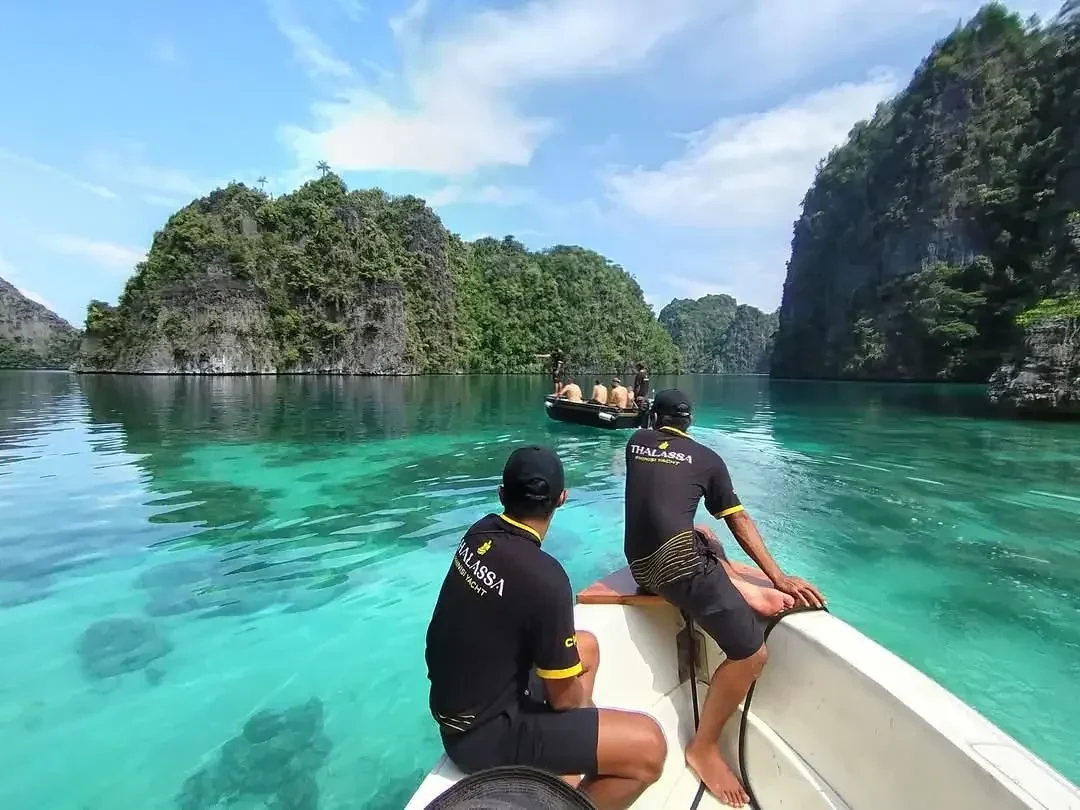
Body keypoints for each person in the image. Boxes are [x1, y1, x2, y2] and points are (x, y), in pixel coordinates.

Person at [426, 446, 668, 810]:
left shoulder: (479, 533)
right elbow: (564, 698)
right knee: (649, 747)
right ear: (562, 499)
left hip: (456, 714)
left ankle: (561, 771)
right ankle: (562, 792)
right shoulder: (547, 578)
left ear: (502, 494)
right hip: (482, 737)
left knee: (586, 647)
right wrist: (581, 709)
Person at [622, 390, 826, 807]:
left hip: (639, 567)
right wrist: (778, 576)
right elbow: (740, 520)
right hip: (677, 570)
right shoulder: (707, 459)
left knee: (704, 533)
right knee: (752, 654)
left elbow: (661, 496)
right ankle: (703, 747)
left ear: (654, 418)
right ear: (689, 423)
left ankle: (733, 583)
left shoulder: (635, 444)